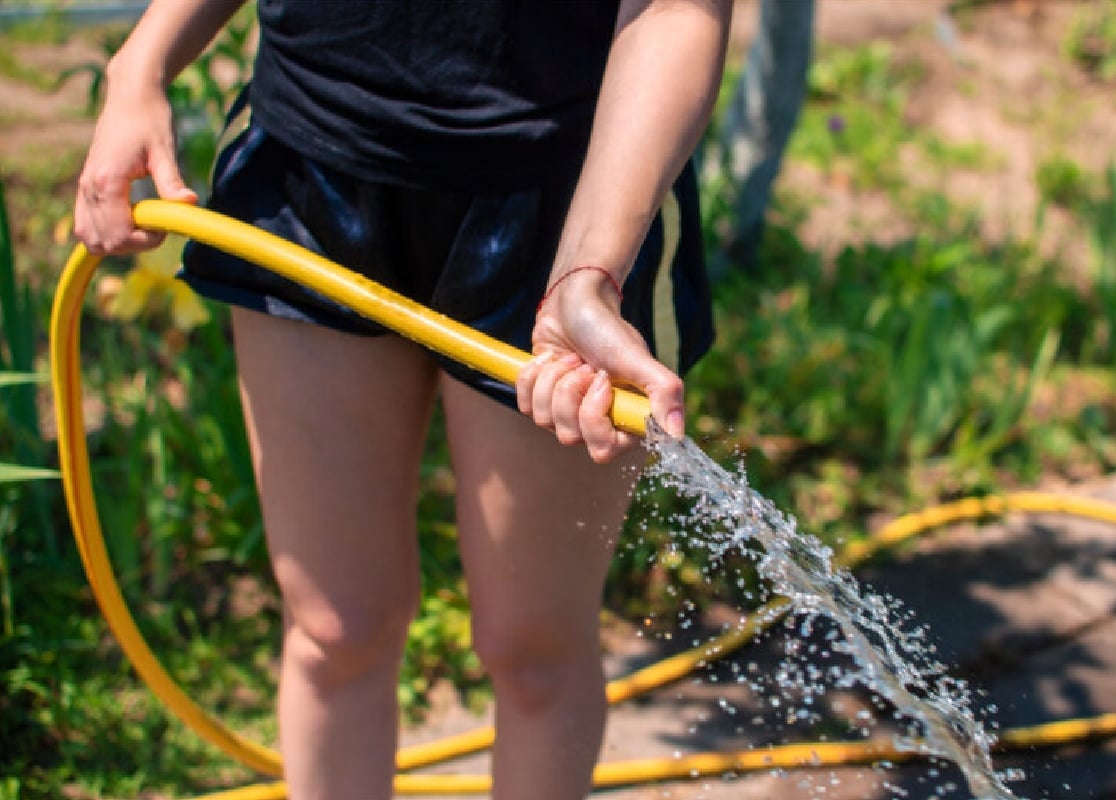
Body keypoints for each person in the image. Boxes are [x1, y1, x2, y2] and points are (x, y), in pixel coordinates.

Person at [73, 1, 732, 798]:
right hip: (308, 166)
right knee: (332, 630)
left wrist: (590, 269)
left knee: (534, 651)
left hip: (574, 195)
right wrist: (141, 63)